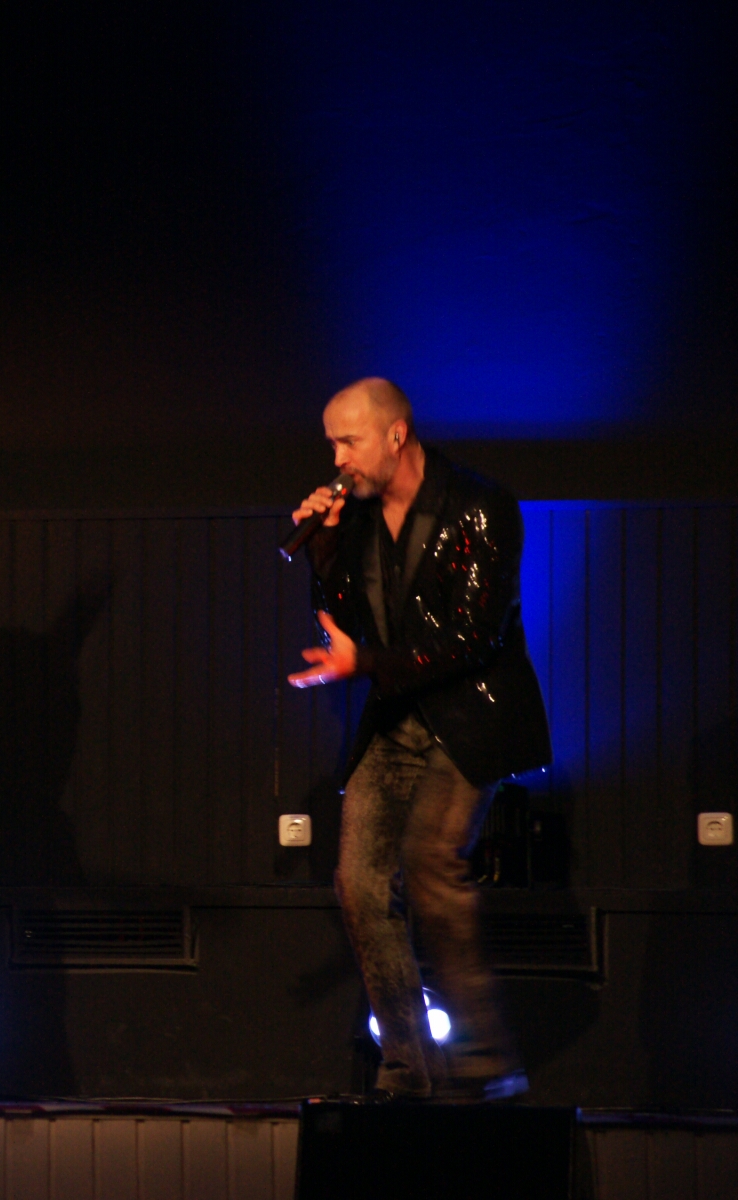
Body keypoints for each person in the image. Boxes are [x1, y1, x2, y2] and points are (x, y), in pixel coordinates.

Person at [288, 377, 551, 1102]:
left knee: (430, 860)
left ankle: (488, 1059)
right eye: (332, 444)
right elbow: (346, 619)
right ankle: (409, 1067)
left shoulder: (480, 505)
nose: (338, 459)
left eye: (349, 441)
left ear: (396, 435)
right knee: (359, 885)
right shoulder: (359, 517)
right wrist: (324, 543)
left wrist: (365, 665)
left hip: (472, 716)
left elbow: (473, 637)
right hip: (398, 716)